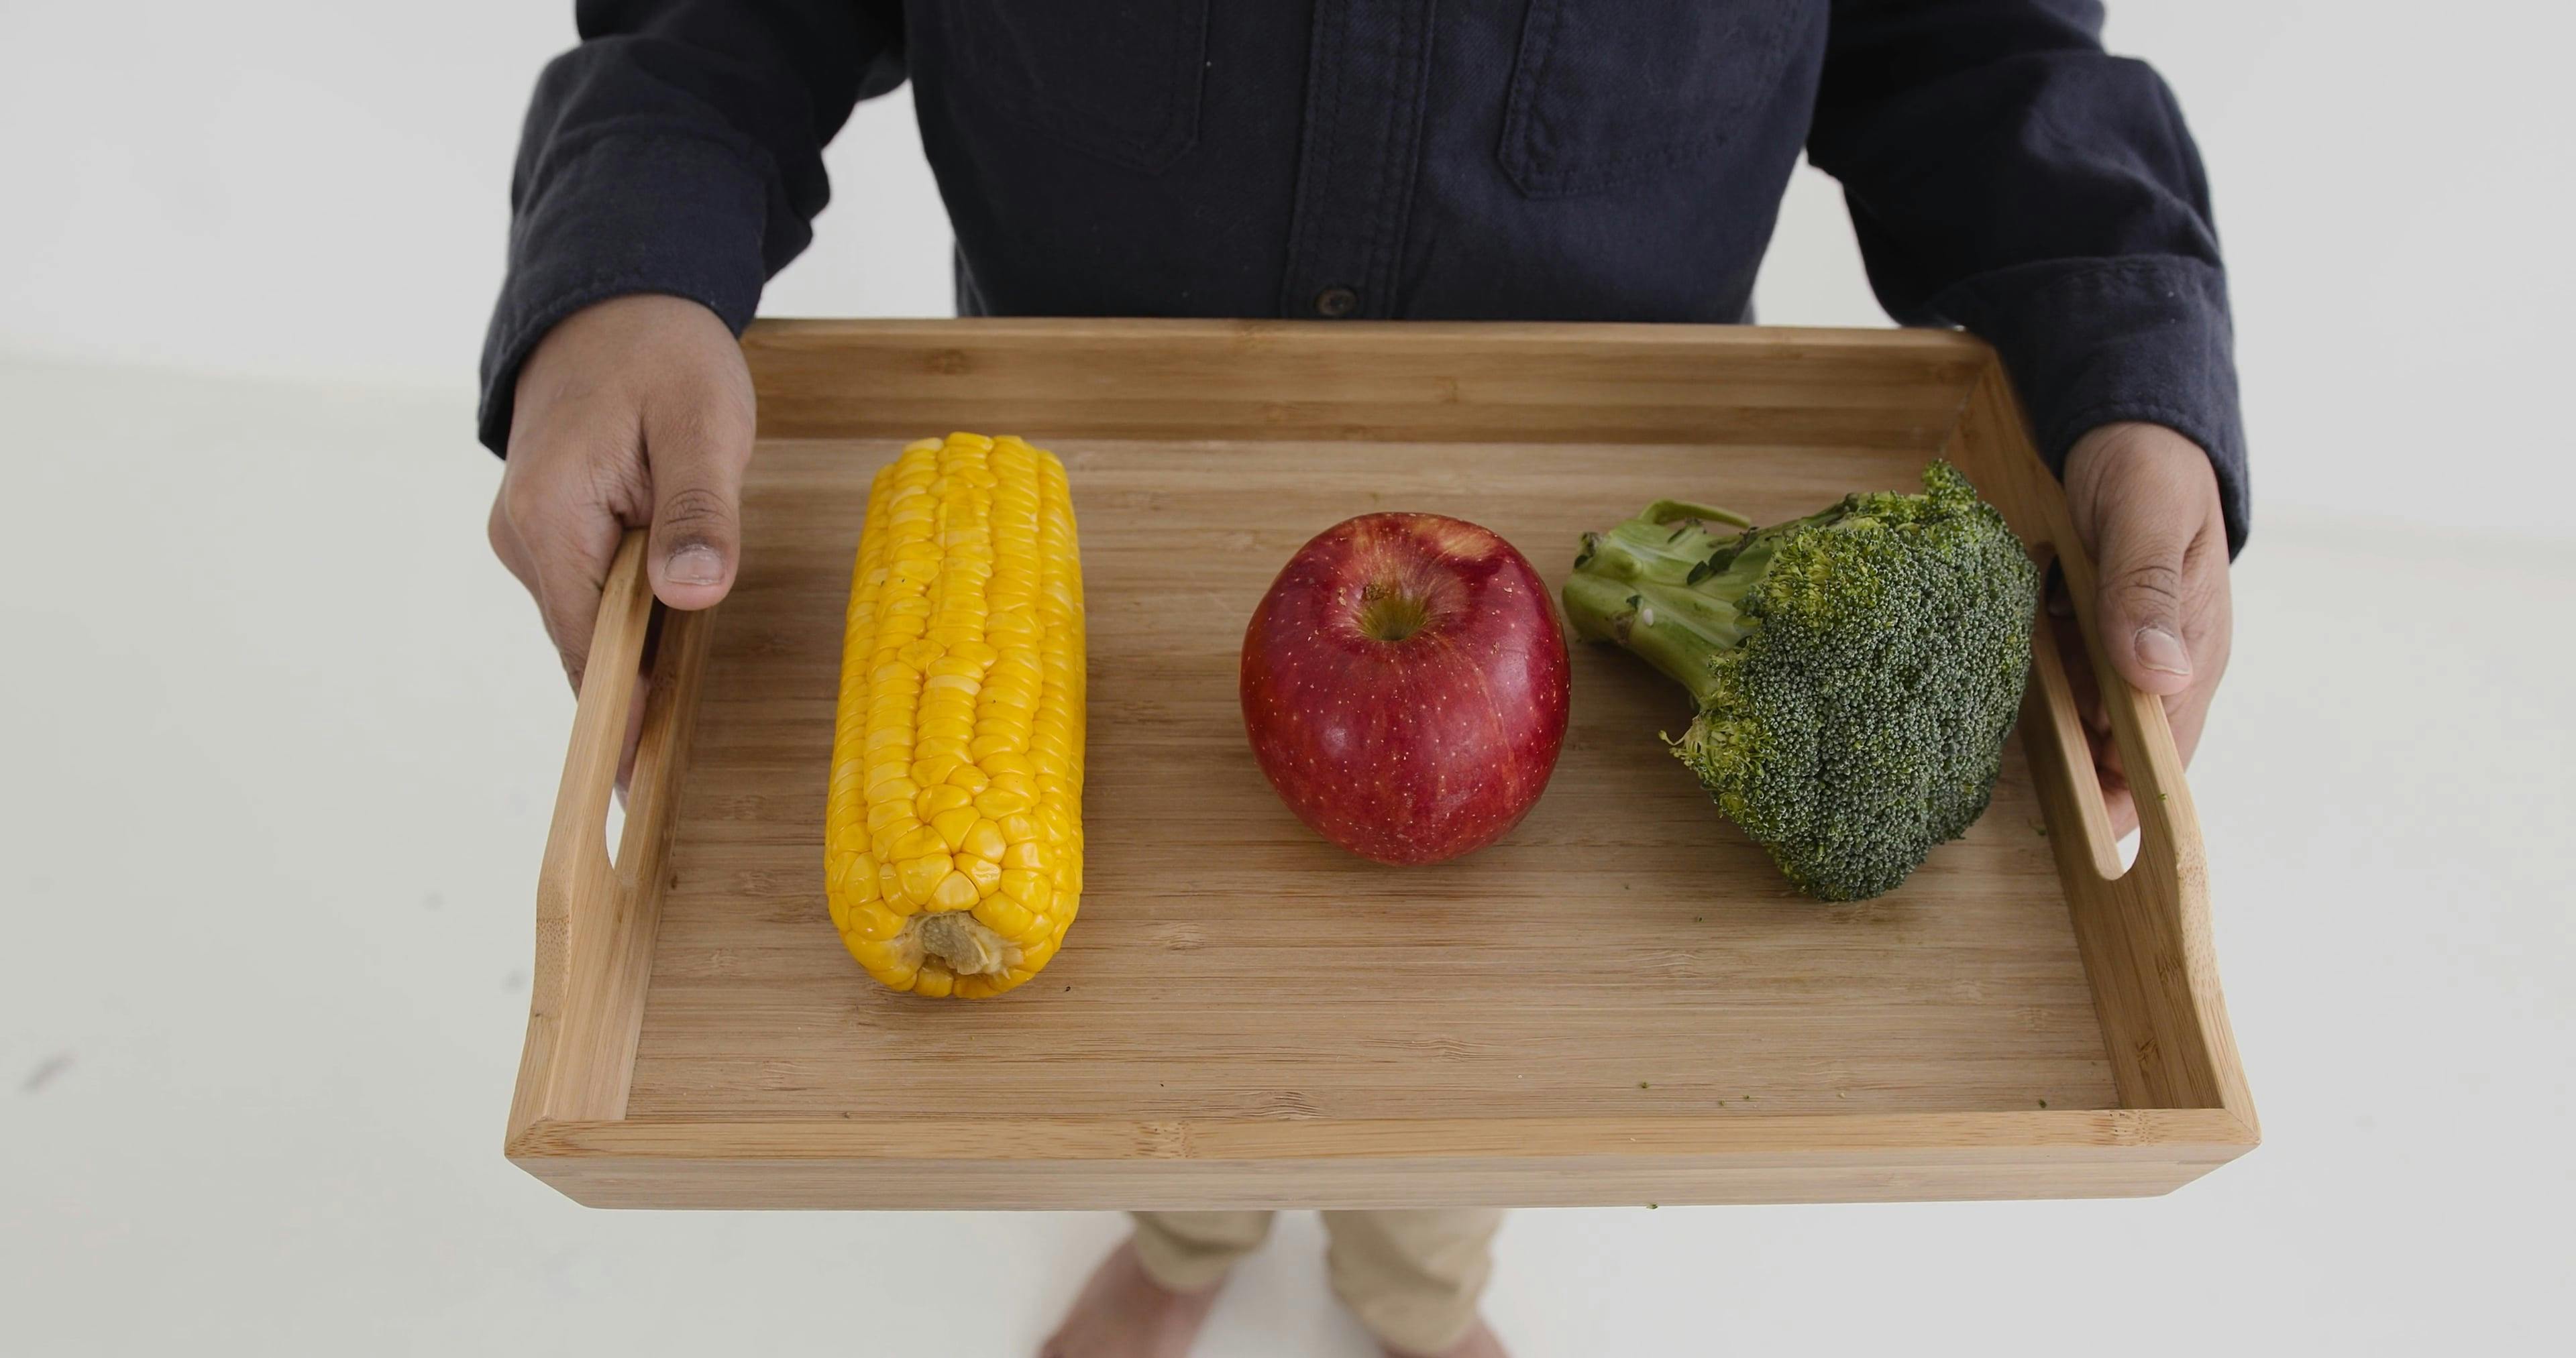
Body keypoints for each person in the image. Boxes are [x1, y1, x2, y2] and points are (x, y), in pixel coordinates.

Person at [478, 4, 2243, 1355]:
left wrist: (2121, 365)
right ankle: (1188, 1240)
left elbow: (1977, 43)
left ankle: (1414, 1287)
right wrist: (626, 254)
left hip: (1585, 497)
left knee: (1476, 1074)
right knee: (1156, 1024)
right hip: (1112, 460)